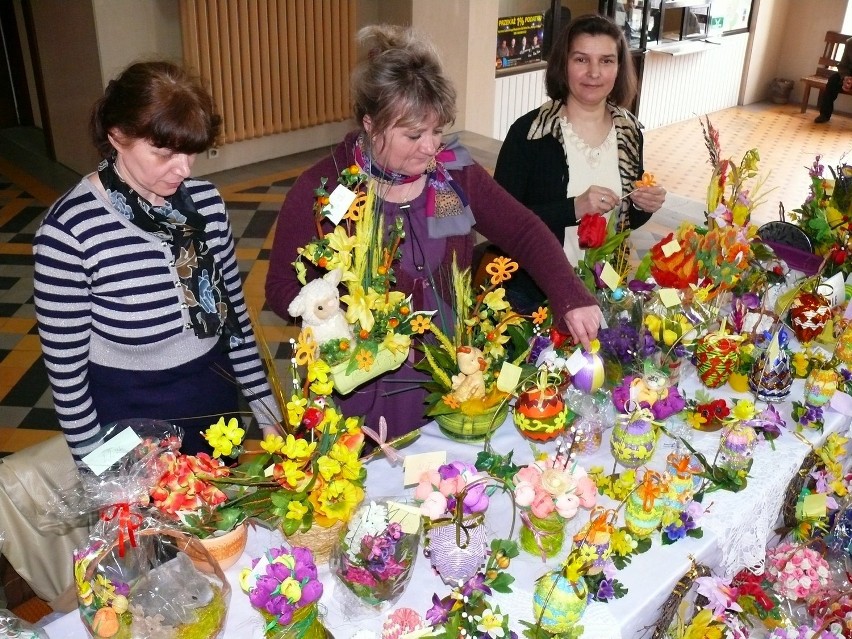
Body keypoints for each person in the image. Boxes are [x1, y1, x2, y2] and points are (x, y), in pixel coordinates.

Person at [266, 24, 601, 440]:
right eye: (413, 134)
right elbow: (280, 287)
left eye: (437, 130)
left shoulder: (452, 174)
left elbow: (523, 229)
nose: (430, 147)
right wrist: (329, 308)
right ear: (370, 124)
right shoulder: (327, 191)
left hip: (452, 376)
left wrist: (570, 295)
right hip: (363, 391)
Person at [33, 61, 281, 463]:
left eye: (191, 153)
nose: (183, 170)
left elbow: (235, 321)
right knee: (154, 526)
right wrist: (98, 469)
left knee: (223, 522)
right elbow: (66, 376)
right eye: (164, 153)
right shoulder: (70, 232)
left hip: (213, 397)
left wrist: (268, 414)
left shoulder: (205, 205)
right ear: (117, 136)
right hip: (129, 414)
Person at [493, 14, 666, 314]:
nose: (594, 73)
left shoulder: (629, 131)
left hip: (605, 290)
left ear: (619, 68)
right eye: (582, 59)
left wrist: (642, 206)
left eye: (607, 61)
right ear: (564, 64)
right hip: (536, 295)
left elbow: (624, 221)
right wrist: (572, 209)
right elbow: (499, 220)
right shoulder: (530, 133)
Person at [815, 36, 852, 124]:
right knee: (833, 80)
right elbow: (843, 64)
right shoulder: (850, 43)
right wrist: (845, 77)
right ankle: (824, 114)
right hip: (849, 73)